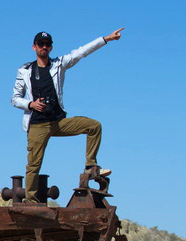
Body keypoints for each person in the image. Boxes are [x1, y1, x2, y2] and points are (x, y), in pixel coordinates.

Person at [11, 28, 124, 203]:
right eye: (41, 44)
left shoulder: (59, 64)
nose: (44, 47)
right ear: (34, 47)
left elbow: (81, 52)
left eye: (48, 44)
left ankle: (90, 165)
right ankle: (31, 201)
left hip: (58, 121)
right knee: (33, 165)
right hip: (37, 125)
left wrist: (106, 39)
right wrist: (31, 104)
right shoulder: (25, 70)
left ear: (51, 48)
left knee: (94, 126)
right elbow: (15, 99)